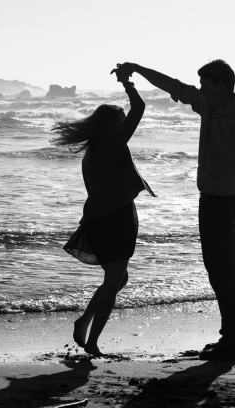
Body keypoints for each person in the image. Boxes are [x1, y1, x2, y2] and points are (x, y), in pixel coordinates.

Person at [112, 60, 235, 360]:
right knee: (216, 271)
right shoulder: (207, 105)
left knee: (226, 272)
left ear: (221, 86)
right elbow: (173, 86)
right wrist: (136, 69)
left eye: (206, 85)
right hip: (208, 202)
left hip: (230, 205)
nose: (200, 90)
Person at [51, 70, 156, 357]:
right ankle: (94, 343)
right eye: (121, 124)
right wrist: (126, 83)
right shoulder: (111, 145)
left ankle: (84, 321)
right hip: (115, 221)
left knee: (118, 280)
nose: (126, 129)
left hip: (101, 219)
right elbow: (140, 108)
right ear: (112, 127)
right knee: (114, 282)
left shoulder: (93, 152)